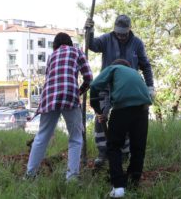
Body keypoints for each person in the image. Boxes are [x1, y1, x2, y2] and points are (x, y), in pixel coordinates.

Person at [85, 14, 154, 166]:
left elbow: (146, 66)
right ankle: (103, 152)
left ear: (129, 30)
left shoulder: (137, 43)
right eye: (118, 33)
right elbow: (92, 45)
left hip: (127, 90)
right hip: (107, 86)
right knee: (101, 118)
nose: (121, 36)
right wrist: (89, 31)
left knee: (127, 120)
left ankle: (124, 153)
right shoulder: (107, 39)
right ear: (114, 30)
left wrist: (150, 87)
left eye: (124, 33)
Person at [25, 32, 93, 182]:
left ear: (55, 45)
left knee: (42, 136)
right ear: (70, 43)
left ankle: (30, 175)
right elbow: (89, 78)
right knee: (75, 138)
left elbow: (49, 78)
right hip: (69, 95)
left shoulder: (51, 56)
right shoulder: (76, 51)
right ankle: (72, 178)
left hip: (49, 97)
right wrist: (79, 91)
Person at [90, 59, 152, 198]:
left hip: (122, 109)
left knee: (113, 146)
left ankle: (118, 187)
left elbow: (94, 86)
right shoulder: (136, 74)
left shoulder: (113, 69)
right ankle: (133, 182)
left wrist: (97, 109)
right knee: (138, 147)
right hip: (143, 110)